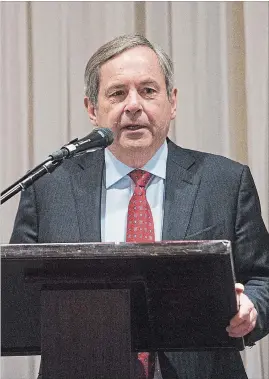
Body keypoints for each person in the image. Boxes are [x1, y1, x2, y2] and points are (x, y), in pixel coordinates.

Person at [10, 34, 269, 379]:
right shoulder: (48, 187)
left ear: (172, 102)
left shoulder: (224, 181)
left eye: (148, 91)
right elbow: (16, 296)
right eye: (117, 93)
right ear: (92, 108)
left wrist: (251, 307)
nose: (133, 105)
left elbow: (263, 279)